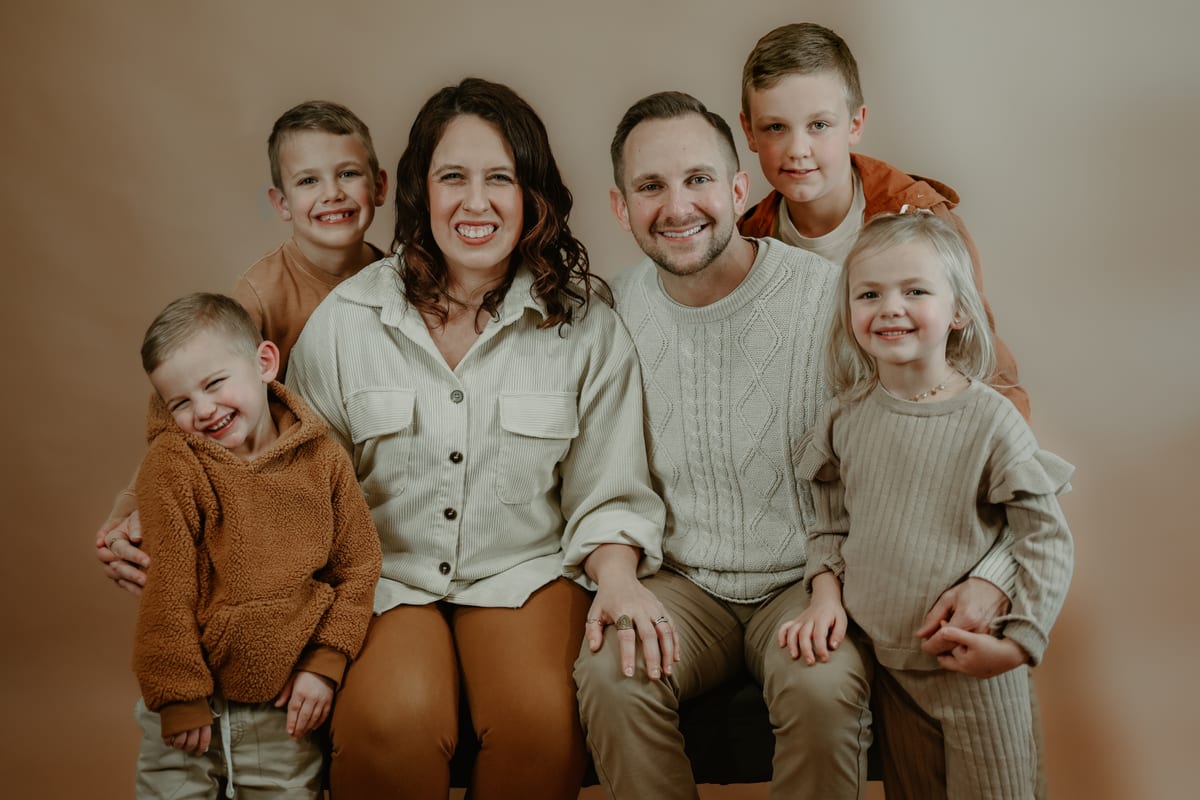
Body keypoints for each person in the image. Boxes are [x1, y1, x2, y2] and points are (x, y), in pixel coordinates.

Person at [573, 91, 1025, 800]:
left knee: (822, 687)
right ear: (620, 206)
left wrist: (836, 584)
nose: (677, 206)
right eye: (650, 186)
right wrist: (620, 579)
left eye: (698, 179)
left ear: (738, 190)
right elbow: (601, 475)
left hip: (808, 578)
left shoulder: (831, 300)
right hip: (681, 581)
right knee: (612, 670)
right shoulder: (611, 313)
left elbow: (942, 428)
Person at [286, 77, 669, 799]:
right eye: (452, 177)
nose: (476, 202)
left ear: (532, 194)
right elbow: (298, 486)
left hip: (525, 572)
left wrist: (618, 578)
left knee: (542, 726)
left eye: (500, 178)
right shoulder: (346, 321)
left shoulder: (585, 326)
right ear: (419, 190)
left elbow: (609, 491)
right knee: (391, 724)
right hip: (385, 579)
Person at [788, 211, 1074, 798]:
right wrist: (824, 591)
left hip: (974, 670)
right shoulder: (845, 417)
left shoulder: (990, 420)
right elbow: (830, 526)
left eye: (915, 291)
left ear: (959, 310)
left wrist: (1018, 643)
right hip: (889, 671)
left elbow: (1043, 536)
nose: (890, 308)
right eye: (869, 294)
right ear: (849, 311)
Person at [96, 99, 389, 593]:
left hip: (378, 478)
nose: (332, 193)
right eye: (308, 180)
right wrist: (132, 504)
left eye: (347, 173)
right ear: (281, 202)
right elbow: (184, 402)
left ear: (379, 186)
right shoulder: (260, 292)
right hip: (295, 490)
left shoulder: (401, 279)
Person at [131, 293, 382, 799]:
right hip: (192, 696)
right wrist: (177, 694)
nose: (204, 410)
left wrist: (325, 663)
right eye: (180, 402)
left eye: (214, 384)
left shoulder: (322, 460)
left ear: (265, 364)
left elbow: (358, 566)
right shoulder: (174, 466)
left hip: (282, 699)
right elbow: (167, 591)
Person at [735, 22, 1029, 421]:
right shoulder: (748, 243)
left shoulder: (921, 220)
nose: (797, 149)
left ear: (855, 124)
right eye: (775, 128)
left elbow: (983, 364)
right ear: (749, 132)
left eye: (819, 125)